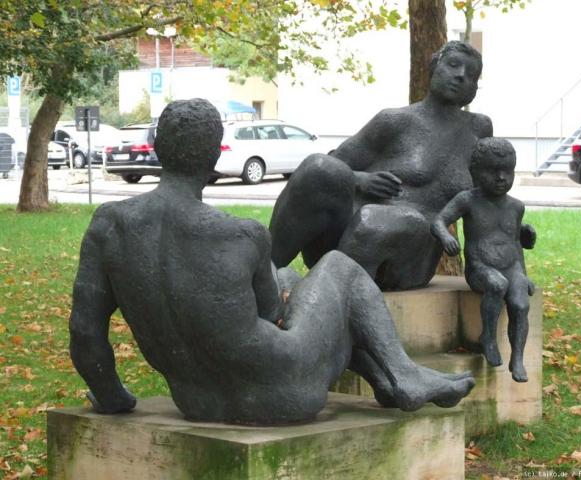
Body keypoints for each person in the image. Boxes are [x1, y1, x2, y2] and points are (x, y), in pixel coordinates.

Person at [69, 98, 475, 425]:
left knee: (291, 277)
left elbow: (85, 331)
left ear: (159, 149)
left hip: (196, 402)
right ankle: (403, 374)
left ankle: (385, 379)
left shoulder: (108, 225)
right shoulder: (240, 234)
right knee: (339, 269)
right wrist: (286, 286)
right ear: (214, 156)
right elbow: (275, 315)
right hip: (287, 394)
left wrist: (112, 397)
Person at [269, 41, 492, 291]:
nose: (461, 75)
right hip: (346, 237)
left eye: (471, 74)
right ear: (434, 67)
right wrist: (359, 180)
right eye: (453, 65)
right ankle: (266, 273)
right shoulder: (394, 121)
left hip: (412, 255)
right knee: (317, 167)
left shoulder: (478, 130)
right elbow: (334, 165)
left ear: (474, 88)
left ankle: (329, 295)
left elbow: (490, 197)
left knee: (380, 219)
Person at [430, 138, 536, 382]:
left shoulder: (516, 207)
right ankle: (487, 336)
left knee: (521, 304)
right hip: (481, 268)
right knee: (497, 284)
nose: (501, 178)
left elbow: (515, 243)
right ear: (475, 172)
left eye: (507, 171)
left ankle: (517, 358)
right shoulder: (467, 200)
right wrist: (445, 237)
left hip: (511, 267)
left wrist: (523, 274)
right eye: (493, 171)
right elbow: (438, 221)